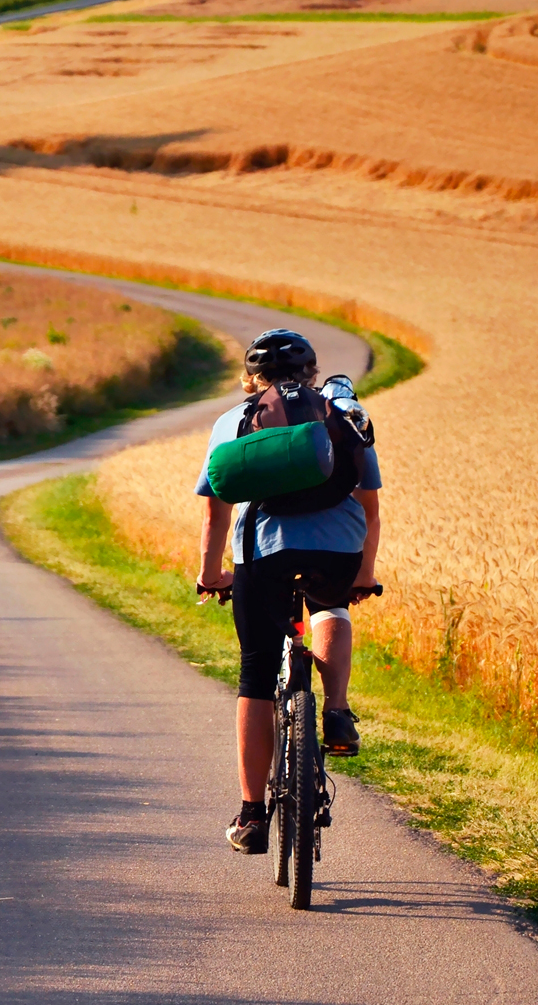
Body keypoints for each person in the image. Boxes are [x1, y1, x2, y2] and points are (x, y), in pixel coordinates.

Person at [194, 328, 382, 855]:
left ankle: (253, 815)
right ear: (313, 373)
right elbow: (368, 505)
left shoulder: (232, 421)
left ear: (251, 379)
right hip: (337, 549)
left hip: (263, 551)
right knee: (330, 606)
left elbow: (216, 507)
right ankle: (338, 711)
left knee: (256, 671)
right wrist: (363, 573)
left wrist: (212, 574)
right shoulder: (341, 412)